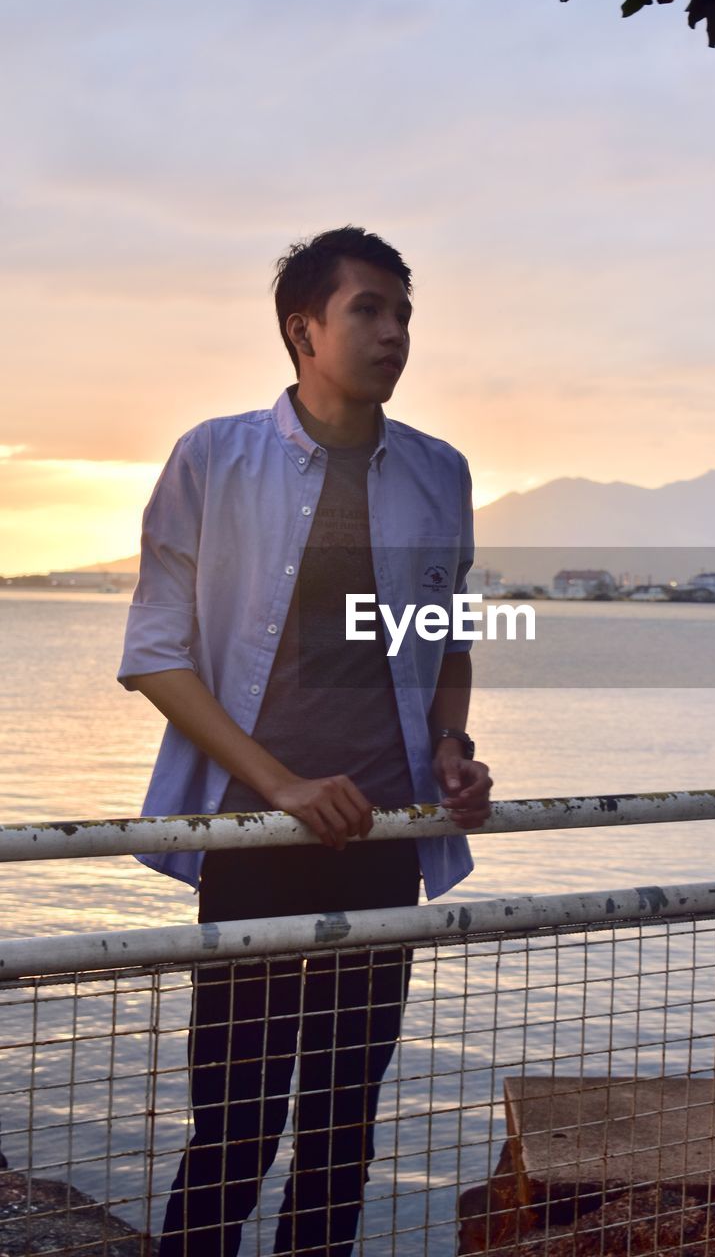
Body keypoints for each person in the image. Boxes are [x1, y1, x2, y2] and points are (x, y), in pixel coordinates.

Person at [118, 225, 492, 1256]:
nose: (394, 333)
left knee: (342, 1137)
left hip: (381, 841)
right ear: (303, 328)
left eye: (404, 313)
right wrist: (278, 783)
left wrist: (452, 745)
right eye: (367, 310)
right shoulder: (213, 457)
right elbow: (156, 652)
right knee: (231, 1129)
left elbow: (442, 637)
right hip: (253, 841)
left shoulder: (438, 473)